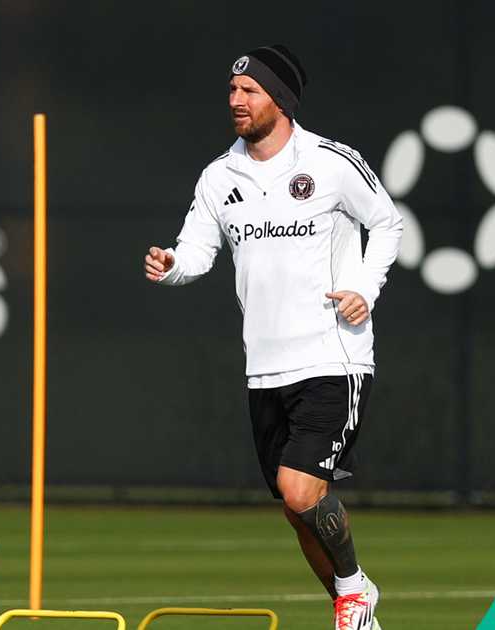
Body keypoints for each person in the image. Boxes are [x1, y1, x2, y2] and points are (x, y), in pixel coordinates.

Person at [144, 45, 402, 630]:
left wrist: (365, 285)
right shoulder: (218, 176)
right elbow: (196, 253)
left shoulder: (332, 162)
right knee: (296, 511)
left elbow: (387, 222)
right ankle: (350, 603)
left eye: (249, 90)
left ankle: (356, 589)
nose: (236, 100)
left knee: (298, 490)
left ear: (280, 100)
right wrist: (170, 264)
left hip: (333, 354)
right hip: (263, 368)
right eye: (232, 90)